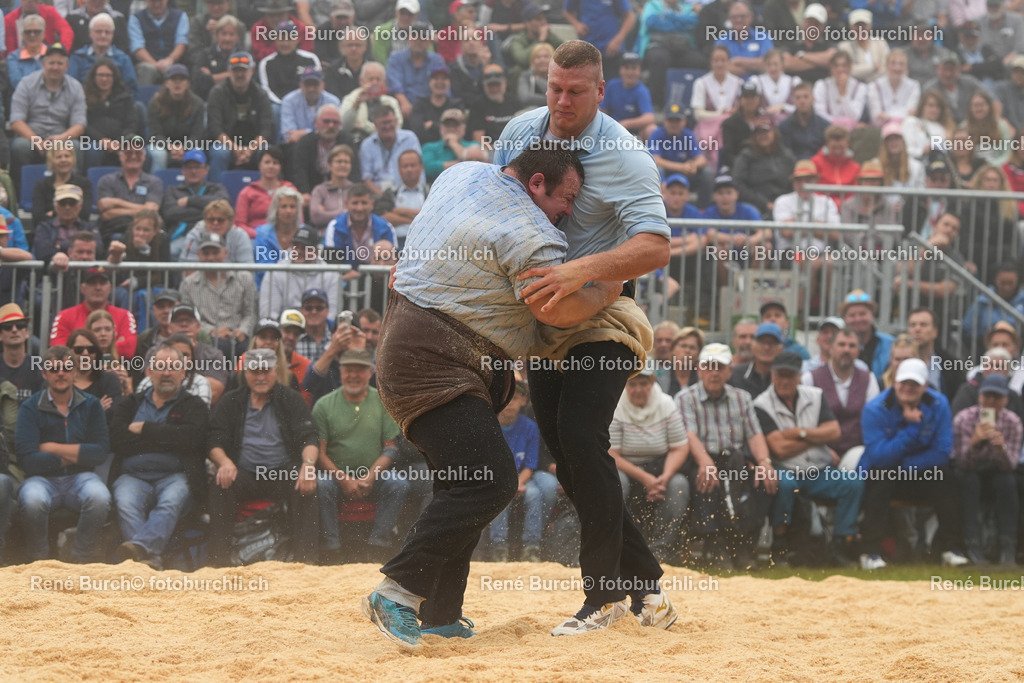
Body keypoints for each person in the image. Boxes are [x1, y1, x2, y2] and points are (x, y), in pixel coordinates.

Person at [363, 147, 632, 647]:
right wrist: (610, 287)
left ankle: (441, 613)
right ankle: (397, 590)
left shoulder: (461, 173)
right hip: (434, 361)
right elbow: (557, 310)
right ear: (536, 183)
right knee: (490, 480)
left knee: (461, 482)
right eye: (566, 197)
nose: (568, 210)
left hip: (413, 344)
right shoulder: (532, 235)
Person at [494, 41, 675, 635]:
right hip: (545, 318)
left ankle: (603, 598)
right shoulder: (518, 133)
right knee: (569, 460)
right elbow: (492, 206)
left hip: (605, 313)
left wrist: (581, 270)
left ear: (601, 91)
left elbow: (655, 246)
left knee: (579, 436)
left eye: (575, 91)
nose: (562, 101)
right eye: (554, 88)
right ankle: (646, 586)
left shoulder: (626, 156)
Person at [206, 348, 320, 567]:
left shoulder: (291, 399)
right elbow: (214, 440)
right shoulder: (231, 401)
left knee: (307, 484)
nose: (260, 377)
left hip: (281, 471)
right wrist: (224, 462)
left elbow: (309, 437)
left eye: (266, 371)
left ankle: (307, 562)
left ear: (276, 371)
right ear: (245, 373)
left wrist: (308, 466)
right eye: (255, 371)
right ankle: (218, 562)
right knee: (220, 484)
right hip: (244, 473)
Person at [858, 357, 969, 569]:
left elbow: (942, 452)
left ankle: (951, 548)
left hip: (917, 472)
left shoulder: (938, 404)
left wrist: (901, 465)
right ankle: (870, 552)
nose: (908, 388)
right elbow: (878, 456)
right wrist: (912, 430)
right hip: (884, 474)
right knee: (879, 476)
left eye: (915, 384)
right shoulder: (876, 408)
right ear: (895, 382)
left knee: (948, 477)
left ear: (925, 386)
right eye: (904, 382)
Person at [677, 343, 779, 570]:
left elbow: (754, 434)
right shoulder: (685, 398)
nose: (714, 372)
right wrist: (705, 462)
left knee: (763, 481)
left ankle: (745, 543)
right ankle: (716, 544)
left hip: (736, 460)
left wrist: (764, 462)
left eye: (720, 367)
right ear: (699, 370)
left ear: (729, 371)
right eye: (709, 366)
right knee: (706, 480)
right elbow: (688, 434)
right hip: (701, 459)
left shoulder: (742, 398)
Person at [754, 351, 862, 565]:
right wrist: (816, 437)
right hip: (785, 468)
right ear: (773, 376)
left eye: (790, 375)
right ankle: (780, 544)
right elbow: (779, 449)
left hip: (819, 470)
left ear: (799, 377)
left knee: (853, 483)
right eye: (780, 375)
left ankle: (841, 542)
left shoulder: (816, 395)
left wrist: (799, 433)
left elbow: (834, 432)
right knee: (785, 485)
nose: (785, 381)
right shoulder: (761, 404)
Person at [110, 343, 210, 570]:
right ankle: (150, 559)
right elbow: (118, 440)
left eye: (173, 367)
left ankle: (140, 553)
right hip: (132, 476)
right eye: (160, 367)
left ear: (183, 373)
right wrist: (169, 436)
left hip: (175, 476)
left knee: (171, 501)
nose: (166, 373)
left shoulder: (194, 405)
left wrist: (145, 429)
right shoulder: (130, 404)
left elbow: (192, 439)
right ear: (149, 372)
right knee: (125, 501)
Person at [15, 346, 111, 563]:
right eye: (54, 369)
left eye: (67, 368)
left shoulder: (91, 405)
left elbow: (100, 452)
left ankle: (81, 558)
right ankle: (38, 559)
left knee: (99, 497)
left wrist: (50, 448)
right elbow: (26, 459)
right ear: (44, 373)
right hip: (41, 479)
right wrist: (75, 455)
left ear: (75, 372)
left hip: (81, 477)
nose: (61, 373)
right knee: (32, 500)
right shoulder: (30, 407)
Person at [315, 348, 406, 563]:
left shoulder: (382, 402)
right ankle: (331, 549)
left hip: (373, 475)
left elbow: (390, 448)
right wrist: (344, 479)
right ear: (340, 371)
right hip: (336, 477)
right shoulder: (324, 405)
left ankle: (378, 546)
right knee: (321, 484)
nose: (353, 375)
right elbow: (320, 453)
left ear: (370, 372)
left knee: (398, 484)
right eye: (348, 370)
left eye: (360, 370)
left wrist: (370, 477)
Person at [609, 369, 689, 564]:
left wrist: (664, 478)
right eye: (632, 384)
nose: (638, 389)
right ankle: (617, 547)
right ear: (625, 385)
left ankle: (661, 550)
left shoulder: (667, 404)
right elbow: (611, 454)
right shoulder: (616, 405)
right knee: (615, 483)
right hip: (625, 468)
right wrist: (646, 479)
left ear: (653, 382)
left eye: (643, 383)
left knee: (679, 485)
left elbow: (679, 447)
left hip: (660, 468)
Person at [952, 373, 1020, 566]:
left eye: (996, 397)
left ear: (1005, 399)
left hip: (998, 472)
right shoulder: (964, 419)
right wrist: (974, 443)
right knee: (970, 481)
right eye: (987, 395)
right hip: (970, 472)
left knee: (1008, 482)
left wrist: (1001, 449)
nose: (991, 401)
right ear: (979, 396)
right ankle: (972, 545)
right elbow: (960, 463)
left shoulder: (1013, 421)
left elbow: (1011, 466)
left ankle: (1008, 547)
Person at [803, 327, 880, 469]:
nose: (846, 350)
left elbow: (873, 421)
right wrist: (823, 450)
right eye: (841, 344)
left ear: (858, 350)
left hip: (857, 450)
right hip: (819, 450)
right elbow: (804, 422)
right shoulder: (810, 378)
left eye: (852, 346)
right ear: (831, 348)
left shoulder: (868, 379)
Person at [9, 43, 86, 180]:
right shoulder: (26, 83)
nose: (55, 67)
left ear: (67, 66)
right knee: (20, 146)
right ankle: (21, 190)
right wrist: (36, 140)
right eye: (51, 63)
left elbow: (79, 124)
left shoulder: (75, 87)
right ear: (44, 64)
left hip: (61, 137)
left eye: (60, 63)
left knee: (75, 146)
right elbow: (16, 121)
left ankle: (73, 187)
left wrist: (62, 138)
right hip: (31, 138)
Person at [180, 233, 258, 360]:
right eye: (206, 253)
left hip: (240, 336)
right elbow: (190, 318)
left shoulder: (244, 278)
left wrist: (243, 331)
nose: (211, 258)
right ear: (198, 255)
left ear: (225, 253)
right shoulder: (188, 283)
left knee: (251, 348)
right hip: (207, 337)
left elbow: (251, 312)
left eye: (215, 253)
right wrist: (211, 330)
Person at [206, 51, 274, 179]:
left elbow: (267, 130)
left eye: (243, 70)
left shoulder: (261, 94)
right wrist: (235, 148)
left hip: (254, 146)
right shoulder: (217, 93)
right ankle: (215, 189)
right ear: (228, 71)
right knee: (219, 152)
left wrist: (250, 150)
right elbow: (215, 128)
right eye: (235, 70)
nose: (239, 74)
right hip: (226, 144)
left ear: (252, 71)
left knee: (269, 153)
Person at [51, 265, 137, 358]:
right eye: (92, 283)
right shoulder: (64, 316)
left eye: (102, 283)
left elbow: (128, 350)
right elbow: (59, 352)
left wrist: (79, 348)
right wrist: (109, 346)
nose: (98, 287)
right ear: (83, 289)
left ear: (110, 288)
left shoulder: (124, 315)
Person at [259, 225, 340, 320]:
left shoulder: (331, 275)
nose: (298, 251)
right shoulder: (275, 272)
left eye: (304, 248)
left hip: (318, 326)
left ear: (316, 251)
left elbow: (332, 315)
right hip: (285, 327)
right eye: (295, 247)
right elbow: (268, 314)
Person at [323, 183, 398, 279]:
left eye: (364, 203)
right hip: (344, 281)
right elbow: (331, 262)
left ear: (372, 204)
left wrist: (360, 276)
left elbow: (394, 262)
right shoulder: (335, 226)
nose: (359, 208)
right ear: (346, 204)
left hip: (377, 281)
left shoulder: (386, 227)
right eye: (355, 203)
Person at [96, 143, 164, 245]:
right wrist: (143, 209)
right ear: (120, 156)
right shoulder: (107, 180)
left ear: (144, 157)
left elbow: (151, 210)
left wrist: (117, 202)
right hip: (113, 230)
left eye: (138, 153)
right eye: (128, 153)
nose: (133, 156)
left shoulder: (154, 182)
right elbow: (105, 212)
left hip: (145, 232)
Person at [291, 105, 359, 204]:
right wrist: (304, 192)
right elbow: (300, 171)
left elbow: (355, 171)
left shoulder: (347, 141)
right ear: (316, 122)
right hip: (311, 192)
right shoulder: (305, 142)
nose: (331, 125)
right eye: (326, 121)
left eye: (335, 122)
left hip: (343, 192)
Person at [146, 65, 207, 173]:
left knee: (196, 153)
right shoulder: (155, 103)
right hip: (161, 144)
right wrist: (170, 147)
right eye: (173, 79)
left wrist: (184, 147)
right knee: (159, 155)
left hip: (188, 145)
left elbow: (197, 134)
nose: (177, 83)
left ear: (188, 83)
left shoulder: (197, 104)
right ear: (166, 83)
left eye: (182, 79)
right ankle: (156, 182)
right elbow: (155, 134)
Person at [731, 117, 795, 216]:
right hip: (755, 205)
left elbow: (794, 182)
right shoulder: (745, 156)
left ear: (774, 133)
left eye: (766, 132)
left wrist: (783, 203)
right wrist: (764, 204)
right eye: (759, 133)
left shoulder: (787, 155)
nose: (763, 136)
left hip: (785, 204)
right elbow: (738, 184)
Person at [160, 150, 229, 240]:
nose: (193, 171)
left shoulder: (216, 188)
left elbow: (224, 205)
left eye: (198, 167)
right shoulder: (172, 190)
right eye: (189, 167)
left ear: (206, 170)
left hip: (212, 235)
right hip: (182, 236)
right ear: (183, 170)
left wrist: (190, 201)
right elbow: (170, 214)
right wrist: (210, 211)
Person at [386, 22, 447, 120]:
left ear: (429, 41)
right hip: (404, 107)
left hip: (431, 108)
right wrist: (403, 102)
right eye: (415, 36)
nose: (418, 41)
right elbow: (395, 84)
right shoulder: (396, 58)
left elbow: (443, 85)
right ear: (408, 38)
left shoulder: (437, 60)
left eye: (423, 37)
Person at [359, 104, 423, 197]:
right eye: (384, 123)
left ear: (396, 121)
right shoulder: (367, 145)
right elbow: (366, 179)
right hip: (379, 197)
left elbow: (419, 170)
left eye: (390, 122)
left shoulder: (410, 138)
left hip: (409, 193)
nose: (388, 126)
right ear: (376, 125)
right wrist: (386, 198)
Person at [69, 12, 138, 97]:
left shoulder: (123, 59)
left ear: (112, 34)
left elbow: (131, 88)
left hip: (116, 102)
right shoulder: (78, 57)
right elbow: (70, 87)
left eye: (107, 32)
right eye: (98, 32)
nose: (103, 36)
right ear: (90, 33)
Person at [234, 147, 296, 237]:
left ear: (280, 167)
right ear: (260, 165)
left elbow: (298, 221)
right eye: (267, 162)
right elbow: (240, 224)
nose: (271, 166)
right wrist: (259, 235)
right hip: (254, 238)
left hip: (284, 238)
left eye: (275, 163)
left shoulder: (290, 190)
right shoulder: (247, 193)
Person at [252, 186, 307, 287]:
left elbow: (310, 265)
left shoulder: (305, 233)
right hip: (269, 287)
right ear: (276, 209)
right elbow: (264, 269)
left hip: (299, 287)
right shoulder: (263, 234)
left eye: (292, 206)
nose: (288, 211)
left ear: (297, 210)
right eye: (284, 206)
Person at [373, 150, 429, 244]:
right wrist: (419, 219)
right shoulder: (391, 193)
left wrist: (399, 211)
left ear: (421, 167)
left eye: (413, 165)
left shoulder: (431, 191)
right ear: (399, 170)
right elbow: (384, 218)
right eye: (405, 166)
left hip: (425, 242)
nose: (409, 169)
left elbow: (434, 218)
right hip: (397, 244)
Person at [128, 0, 189, 86]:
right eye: (153, 1)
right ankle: (144, 95)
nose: (156, 4)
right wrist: (155, 64)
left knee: (174, 70)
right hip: (147, 63)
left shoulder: (180, 16)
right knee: (147, 69)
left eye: (160, 1)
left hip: (172, 62)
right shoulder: (136, 18)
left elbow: (181, 43)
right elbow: (137, 47)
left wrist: (170, 60)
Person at [31, 147, 92, 229]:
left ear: (73, 159)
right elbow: (37, 218)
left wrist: (53, 213)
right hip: (48, 231)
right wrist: (69, 213)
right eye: (59, 157)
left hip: (77, 230)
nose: (63, 160)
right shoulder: (41, 185)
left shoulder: (84, 184)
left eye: (67, 156)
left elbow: (84, 215)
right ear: (51, 161)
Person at [179, 200, 255, 264]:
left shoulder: (240, 235)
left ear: (230, 222)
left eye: (220, 220)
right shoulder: (195, 234)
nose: (215, 223)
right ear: (205, 220)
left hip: (232, 277)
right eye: (211, 219)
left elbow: (247, 269)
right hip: (200, 277)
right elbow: (187, 268)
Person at [279, 67, 341, 144]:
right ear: (301, 85)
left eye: (315, 84)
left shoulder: (333, 101)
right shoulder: (289, 101)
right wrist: (320, 132)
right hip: (297, 146)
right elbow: (288, 135)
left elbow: (336, 131)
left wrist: (303, 133)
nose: (311, 89)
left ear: (323, 85)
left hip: (326, 144)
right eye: (307, 84)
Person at [601, 52, 655, 139]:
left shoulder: (642, 91)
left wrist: (625, 124)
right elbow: (603, 111)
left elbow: (649, 118)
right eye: (626, 68)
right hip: (612, 129)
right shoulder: (612, 85)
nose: (630, 72)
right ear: (620, 70)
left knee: (651, 129)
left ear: (639, 71)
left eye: (634, 68)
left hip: (634, 131)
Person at [841, 289, 892, 381]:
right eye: (852, 315)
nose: (858, 319)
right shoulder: (837, 346)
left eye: (862, 314)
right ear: (845, 318)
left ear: (872, 315)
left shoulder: (890, 343)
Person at [422, 109, 485, 183]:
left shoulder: (474, 145)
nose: (451, 129)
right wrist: (462, 165)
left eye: (456, 125)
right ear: (441, 127)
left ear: (463, 128)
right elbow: (427, 168)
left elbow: (477, 168)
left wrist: (453, 143)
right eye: (447, 125)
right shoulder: (429, 147)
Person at [190, 14, 243, 100]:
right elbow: (199, 82)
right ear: (217, 35)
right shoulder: (204, 55)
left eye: (231, 34)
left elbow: (249, 81)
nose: (227, 39)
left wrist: (212, 77)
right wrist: (234, 75)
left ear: (238, 37)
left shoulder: (244, 56)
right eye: (224, 34)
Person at [0, 304, 44, 407]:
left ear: (27, 332)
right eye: (8, 326)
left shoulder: (38, 365)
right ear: (0, 335)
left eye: (20, 325)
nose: (14, 330)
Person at [730, 321, 785, 398]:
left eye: (772, 343)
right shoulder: (734, 374)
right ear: (753, 345)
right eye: (762, 342)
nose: (766, 347)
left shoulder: (787, 376)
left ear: (781, 348)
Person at [778, 82, 829, 161]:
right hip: (793, 165)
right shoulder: (784, 126)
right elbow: (784, 152)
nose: (802, 101)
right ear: (793, 101)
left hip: (818, 164)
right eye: (798, 98)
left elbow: (827, 151)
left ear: (813, 99)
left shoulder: (825, 126)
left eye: (806, 97)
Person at [309, 144, 355, 230]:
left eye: (346, 162)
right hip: (324, 235)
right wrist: (346, 212)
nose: (343, 165)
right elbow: (316, 217)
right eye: (339, 162)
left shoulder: (355, 190)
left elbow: (362, 215)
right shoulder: (320, 190)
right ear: (329, 165)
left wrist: (327, 213)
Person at [279, 309, 313, 404]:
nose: (291, 337)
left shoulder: (306, 365)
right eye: (287, 331)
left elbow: (306, 402)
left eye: (296, 334)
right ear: (278, 331)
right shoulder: (259, 360)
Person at [8, 15, 49, 92]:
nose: (32, 35)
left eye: (36, 32)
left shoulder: (52, 55)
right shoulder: (13, 57)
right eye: (28, 32)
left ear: (43, 34)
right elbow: (17, 83)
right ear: (22, 35)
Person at [517, 42, 554, 109]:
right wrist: (549, 99)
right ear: (532, 61)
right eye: (538, 57)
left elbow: (556, 97)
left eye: (546, 56)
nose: (542, 60)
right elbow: (525, 98)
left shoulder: (557, 77)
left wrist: (539, 81)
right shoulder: (526, 76)